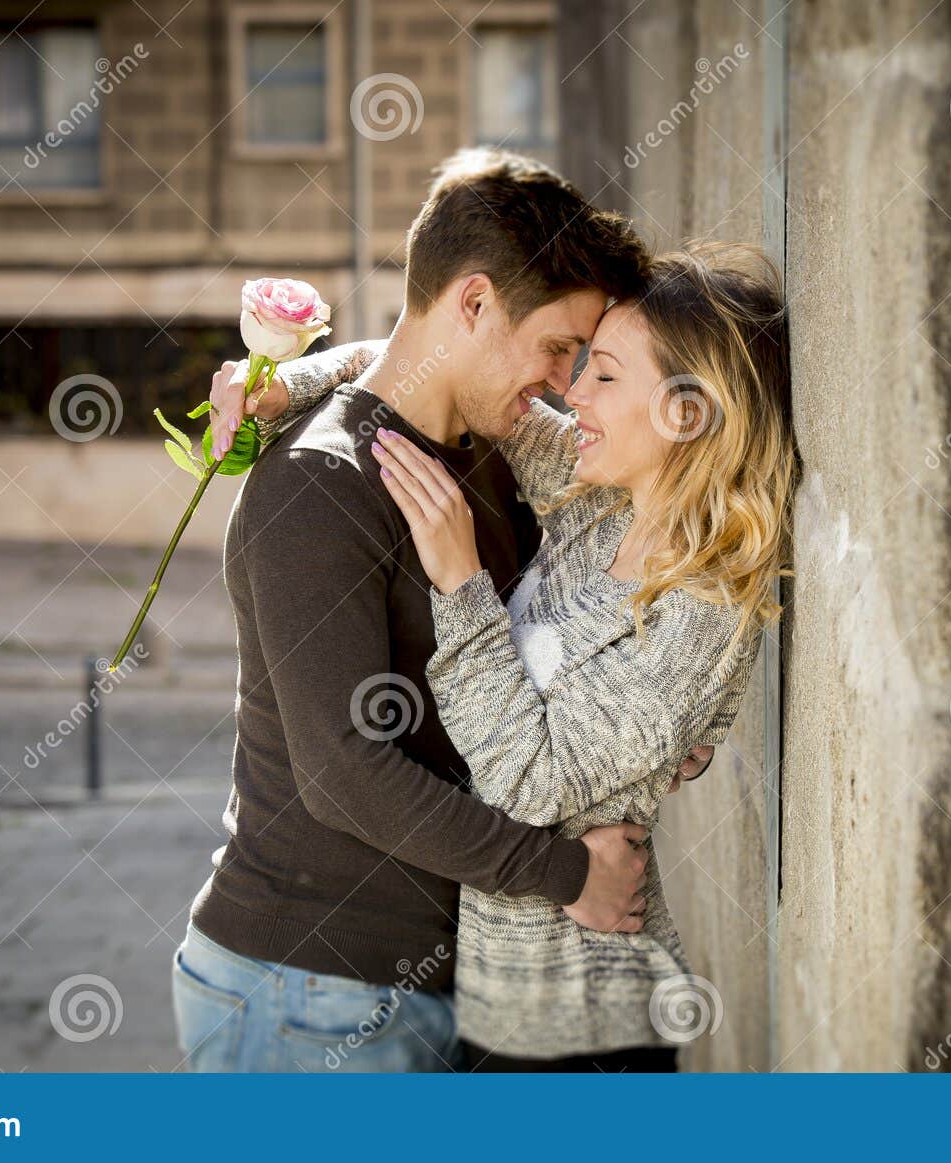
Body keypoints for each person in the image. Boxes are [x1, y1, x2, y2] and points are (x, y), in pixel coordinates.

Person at [212, 239, 795, 1070]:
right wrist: (288, 383)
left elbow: (524, 781)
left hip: (574, 1025)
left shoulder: (699, 615)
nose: (570, 391)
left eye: (603, 374)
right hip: (488, 1001)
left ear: (687, 412)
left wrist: (461, 583)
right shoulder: (599, 504)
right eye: (575, 361)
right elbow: (440, 368)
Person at [171, 149, 660, 1073]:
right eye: (558, 345)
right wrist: (568, 876)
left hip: (422, 987)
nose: (563, 381)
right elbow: (344, 770)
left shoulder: (482, 453)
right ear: (473, 303)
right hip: (301, 994)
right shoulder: (317, 485)